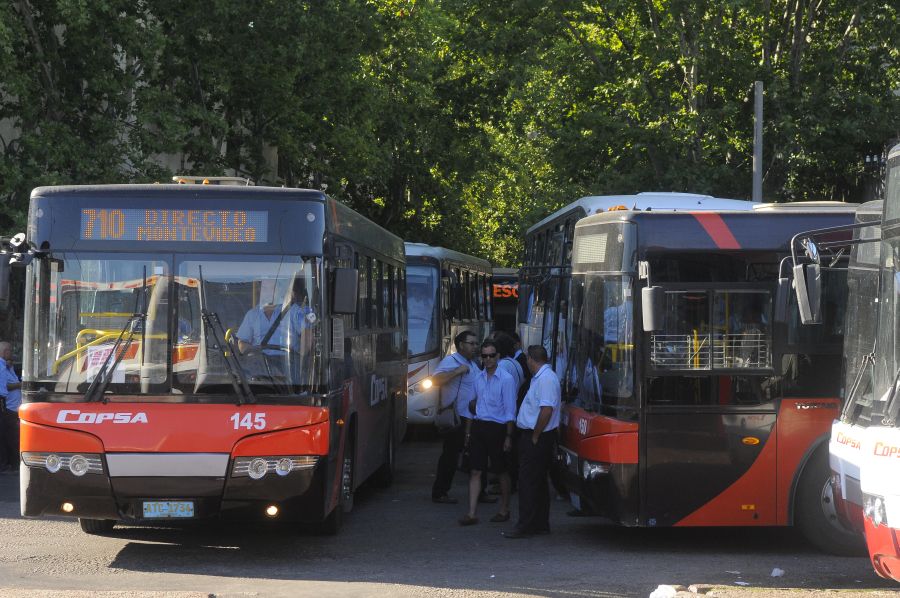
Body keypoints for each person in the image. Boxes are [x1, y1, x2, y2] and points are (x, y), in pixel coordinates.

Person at [505, 345, 561, 538]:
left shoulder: (546, 379)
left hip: (537, 436)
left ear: (530, 359)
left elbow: (546, 410)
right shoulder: (544, 378)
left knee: (528, 481)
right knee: (538, 482)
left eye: (527, 359)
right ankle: (539, 523)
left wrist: (535, 435)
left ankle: (526, 524)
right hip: (536, 434)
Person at [458, 340, 517, 526]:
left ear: (498, 356)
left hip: (498, 428)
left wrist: (508, 436)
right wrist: (468, 433)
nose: (488, 359)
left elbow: (510, 411)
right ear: (481, 358)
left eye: (492, 355)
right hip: (479, 426)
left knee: (500, 471)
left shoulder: (506, 379)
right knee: (475, 470)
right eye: (484, 356)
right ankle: (471, 512)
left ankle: (504, 509)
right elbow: (471, 407)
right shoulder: (478, 378)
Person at [431, 331, 480, 504]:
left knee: (473, 455)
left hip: (470, 417)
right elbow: (435, 380)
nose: (475, 347)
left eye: (476, 343)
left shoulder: (472, 364)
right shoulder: (451, 361)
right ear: (460, 345)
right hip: (456, 418)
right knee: (450, 456)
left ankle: (479, 493)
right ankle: (440, 492)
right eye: (471, 343)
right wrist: (457, 372)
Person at [236, 278, 314, 356]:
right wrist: (253, 353)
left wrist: (302, 359)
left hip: (289, 363)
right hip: (261, 364)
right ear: (260, 290)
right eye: (265, 288)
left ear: (279, 289)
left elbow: (307, 333)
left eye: (272, 288)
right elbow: (242, 342)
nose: (269, 292)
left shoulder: (294, 311)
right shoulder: (252, 315)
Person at [0, 342, 21, 474]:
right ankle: (8, 464)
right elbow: (6, 385)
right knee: (8, 435)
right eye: (10, 351)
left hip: (8, 404)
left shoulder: (6, 366)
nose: (12, 354)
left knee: (8, 434)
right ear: (5, 351)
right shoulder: (1, 366)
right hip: (6, 403)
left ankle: (9, 463)